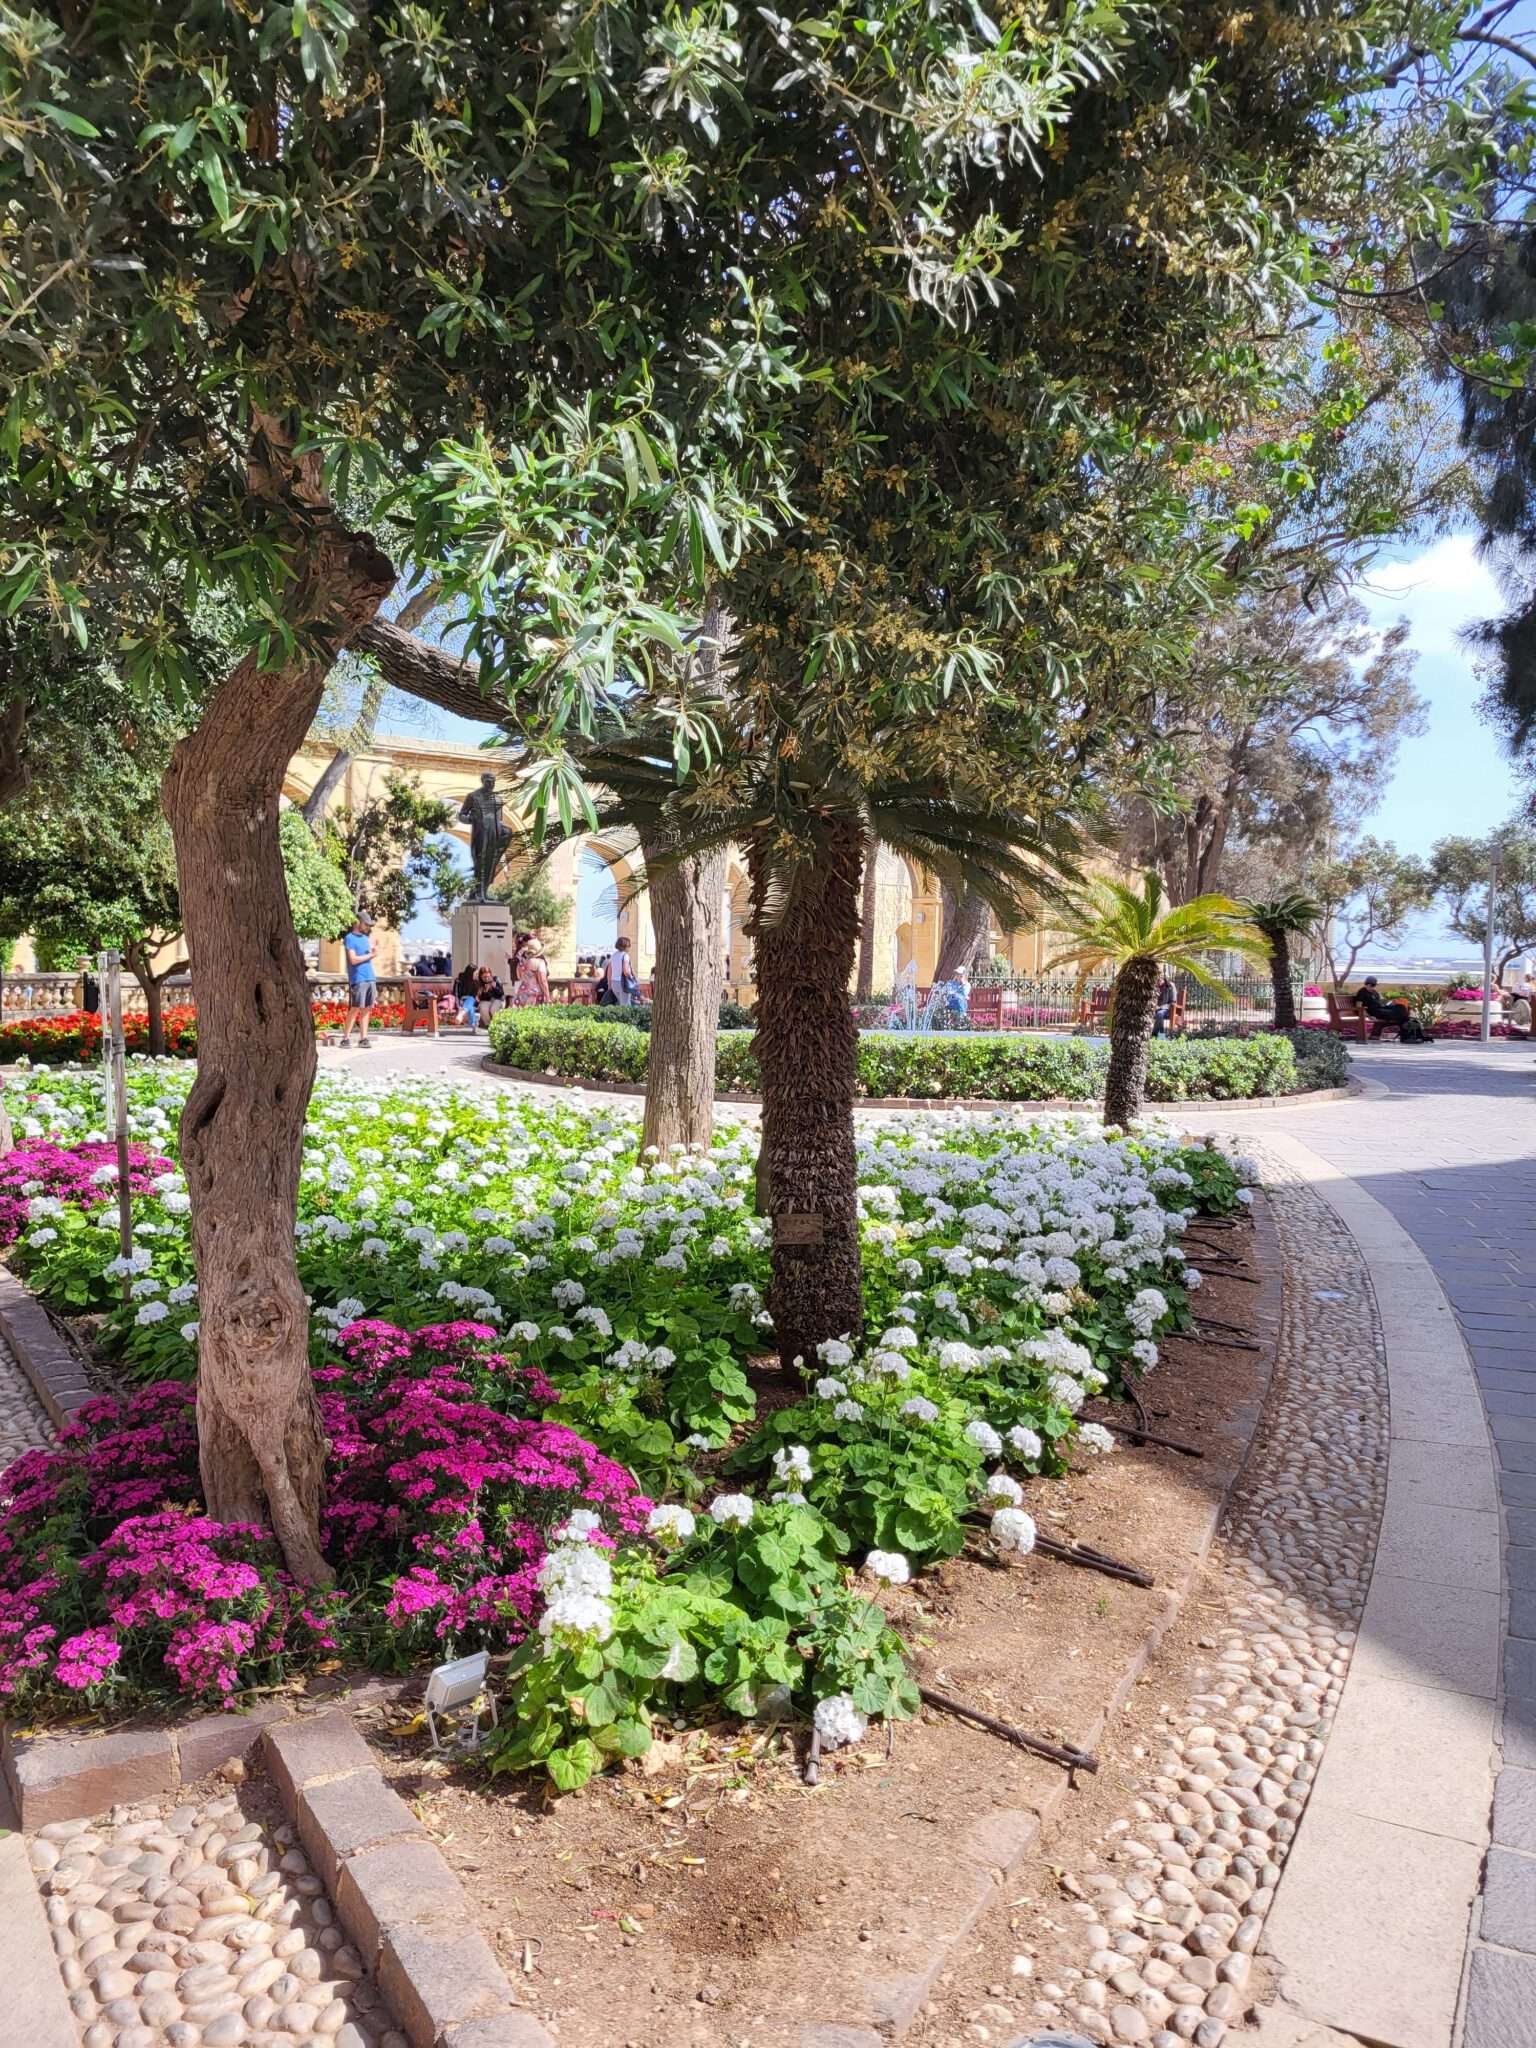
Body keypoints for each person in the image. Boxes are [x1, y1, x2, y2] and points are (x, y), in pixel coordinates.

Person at [341, 914, 377, 1046]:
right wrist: (371, 955)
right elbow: (353, 960)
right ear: (358, 922)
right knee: (355, 1008)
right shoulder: (349, 938)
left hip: (370, 977)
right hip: (358, 978)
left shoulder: (365, 939)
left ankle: (363, 1038)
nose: (368, 927)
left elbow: (366, 956)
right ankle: (345, 1038)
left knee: (367, 1008)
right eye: (366, 924)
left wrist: (371, 953)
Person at [1353, 975, 1412, 1039]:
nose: (1373, 987)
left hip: (1380, 1008)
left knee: (1401, 1007)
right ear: (1368, 984)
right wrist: (1369, 1016)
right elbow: (1359, 1007)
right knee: (1403, 1016)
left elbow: (1379, 1003)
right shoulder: (1362, 992)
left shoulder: (1374, 992)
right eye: (1372, 985)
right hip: (1374, 1012)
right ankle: (1406, 1034)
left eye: (1374, 985)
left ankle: (1406, 1033)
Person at [602, 935, 640, 1007]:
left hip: (614, 983)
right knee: (625, 1005)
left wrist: (609, 984)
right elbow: (626, 971)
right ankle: (625, 1018)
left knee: (620, 1003)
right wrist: (632, 978)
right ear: (625, 946)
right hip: (622, 983)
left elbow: (610, 971)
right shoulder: (625, 955)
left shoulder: (614, 955)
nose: (630, 947)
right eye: (629, 945)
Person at [513, 935, 550, 1006]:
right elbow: (543, 981)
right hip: (535, 995)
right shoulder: (540, 962)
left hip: (522, 994)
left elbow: (519, 977)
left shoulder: (521, 963)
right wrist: (548, 996)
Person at [453, 961, 480, 1029]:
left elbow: (477, 996)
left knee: (470, 999)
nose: (477, 974)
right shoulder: (459, 980)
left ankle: (462, 1013)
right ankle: (472, 1025)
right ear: (471, 972)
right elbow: (456, 993)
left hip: (474, 1001)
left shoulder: (477, 982)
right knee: (470, 1007)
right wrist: (458, 1005)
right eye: (475, 973)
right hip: (463, 1001)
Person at [1153, 973, 1176, 1037]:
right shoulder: (1155, 987)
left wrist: (1160, 1007)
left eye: (1159, 980)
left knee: (1159, 1014)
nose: (1157, 982)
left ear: (1163, 979)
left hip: (1167, 1009)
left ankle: (1161, 1035)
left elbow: (1173, 1001)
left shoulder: (1171, 986)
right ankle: (1153, 1034)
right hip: (1155, 1008)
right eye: (1156, 980)